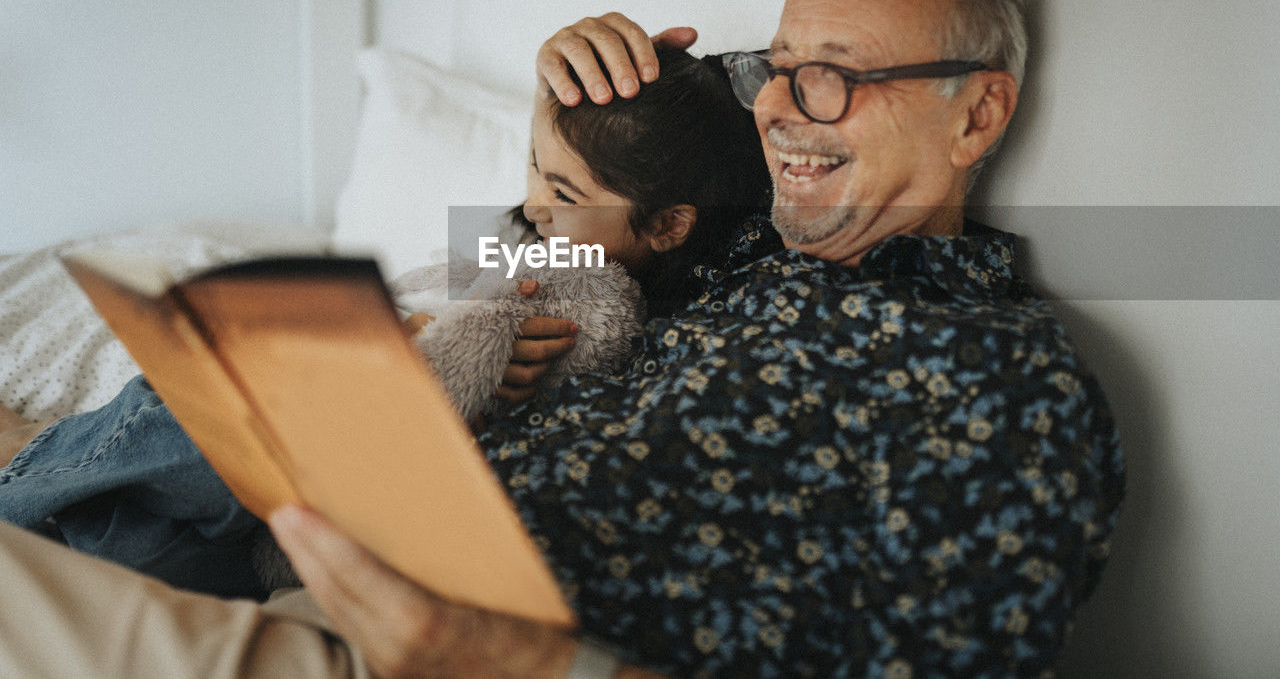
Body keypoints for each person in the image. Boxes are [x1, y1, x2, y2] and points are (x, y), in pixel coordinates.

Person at [0, 0, 1125, 678]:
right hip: (312, 559)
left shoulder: (1000, 377)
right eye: (771, 67)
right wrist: (564, 91)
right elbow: (538, 248)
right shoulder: (732, 251)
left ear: (976, 114)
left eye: (830, 74)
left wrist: (523, 662)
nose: (778, 108)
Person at [0, 47, 772, 598]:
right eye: (533, 164)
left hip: (353, 486)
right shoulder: (529, 242)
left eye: (563, 190)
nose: (535, 200)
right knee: (176, 442)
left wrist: (442, 352)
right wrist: (409, 320)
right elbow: (447, 274)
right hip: (322, 442)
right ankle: (33, 477)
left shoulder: (626, 310)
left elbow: (468, 346)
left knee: (188, 461)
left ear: (669, 225)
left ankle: (24, 475)